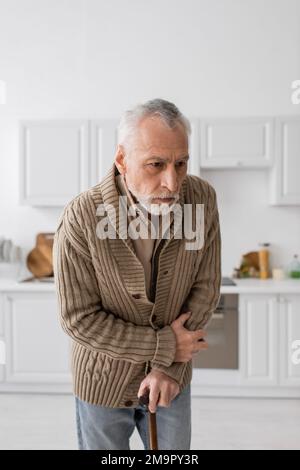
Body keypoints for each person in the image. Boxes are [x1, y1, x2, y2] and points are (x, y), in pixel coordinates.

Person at [53, 98, 221, 450]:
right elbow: (78, 318)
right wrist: (165, 346)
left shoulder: (200, 201)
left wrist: (168, 367)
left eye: (181, 163)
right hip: (102, 381)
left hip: (173, 380)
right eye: (155, 165)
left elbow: (205, 288)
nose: (172, 182)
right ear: (122, 160)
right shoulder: (83, 216)